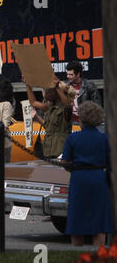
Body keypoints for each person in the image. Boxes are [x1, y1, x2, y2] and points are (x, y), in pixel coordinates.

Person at [61, 101, 113, 247]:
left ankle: (77, 255)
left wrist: (72, 167)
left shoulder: (72, 138)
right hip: (98, 178)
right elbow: (110, 163)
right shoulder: (104, 139)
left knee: (77, 220)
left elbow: (65, 161)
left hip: (79, 178)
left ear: (81, 118)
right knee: (99, 221)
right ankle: (99, 257)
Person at [26, 76, 75, 159]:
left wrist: (56, 87)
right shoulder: (49, 107)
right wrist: (28, 85)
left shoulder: (65, 109)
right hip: (48, 150)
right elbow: (33, 102)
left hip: (61, 152)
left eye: (50, 91)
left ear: (58, 93)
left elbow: (67, 106)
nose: (47, 93)